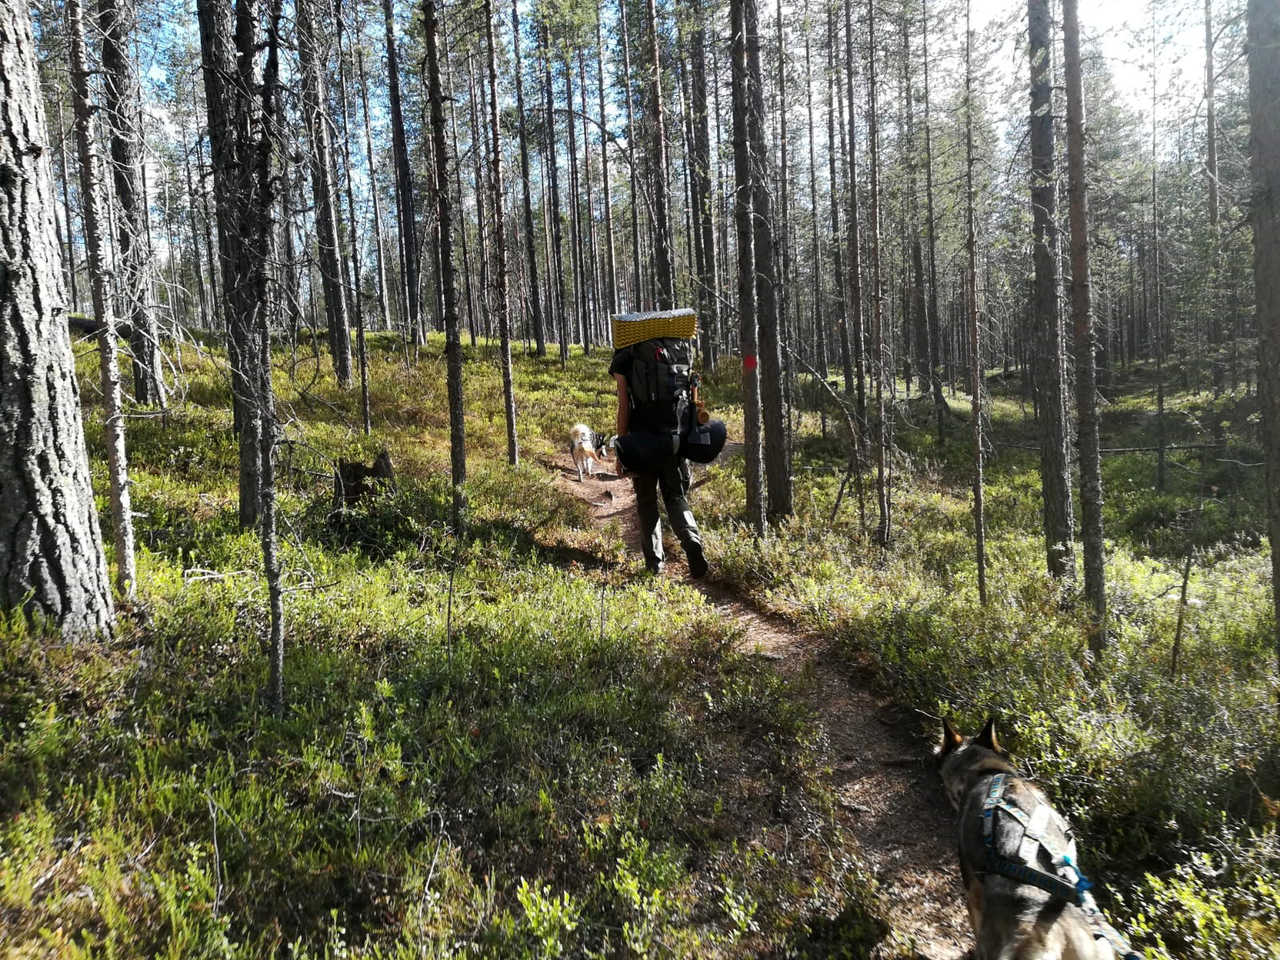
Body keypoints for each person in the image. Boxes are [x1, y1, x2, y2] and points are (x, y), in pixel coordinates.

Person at [610, 340, 708, 578]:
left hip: (641, 439)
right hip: (673, 439)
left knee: (646, 501)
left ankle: (655, 564)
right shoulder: (676, 349)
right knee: (675, 496)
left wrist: (622, 446)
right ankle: (691, 538)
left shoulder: (625, 354)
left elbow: (624, 404)